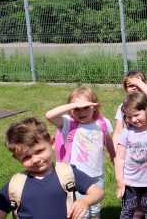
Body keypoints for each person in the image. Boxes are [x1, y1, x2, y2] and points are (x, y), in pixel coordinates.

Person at [0, 117, 104, 219]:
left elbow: (97, 192)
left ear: (52, 143)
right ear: (17, 158)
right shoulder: (14, 185)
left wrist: (85, 200)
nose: (35, 160)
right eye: (26, 157)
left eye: (40, 151)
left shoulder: (67, 173)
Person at [45, 86, 116, 219]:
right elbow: (49, 115)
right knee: (79, 211)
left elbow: (108, 140)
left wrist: (113, 155)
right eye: (76, 108)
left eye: (85, 107)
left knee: (95, 208)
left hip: (96, 175)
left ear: (95, 106)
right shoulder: (67, 123)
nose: (81, 111)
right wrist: (72, 105)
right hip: (75, 176)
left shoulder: (102, 123)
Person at [115, 91, 147, 219]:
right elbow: (119, 158)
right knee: (129, 207)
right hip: (129, 180)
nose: (133, 120)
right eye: (129, 117)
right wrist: (120, 180)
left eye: (136, 115)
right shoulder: (126, 132)